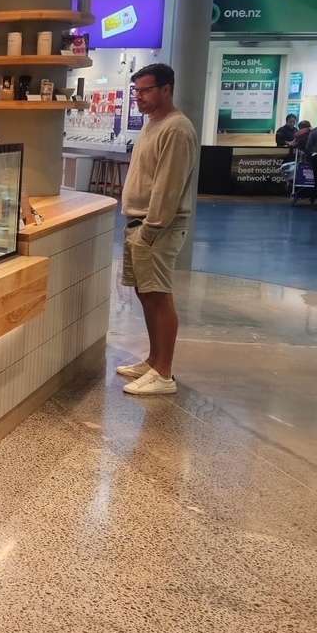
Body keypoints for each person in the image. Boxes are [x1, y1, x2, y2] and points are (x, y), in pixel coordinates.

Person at [116, 63, 198, 397]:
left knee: (159, 296)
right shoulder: (153, 124)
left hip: (157, 229)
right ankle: (153, 361)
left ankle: (163, 373)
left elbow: (168, 186)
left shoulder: (177, 129)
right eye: (136, 91)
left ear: (167, 89)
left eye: (146, 90)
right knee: (146, 294)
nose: (139, 97)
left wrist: (151, 230)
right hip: (140, 224)